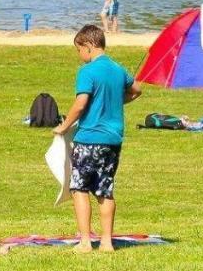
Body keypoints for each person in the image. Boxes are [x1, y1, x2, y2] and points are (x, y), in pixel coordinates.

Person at [53, 24, 141, 254]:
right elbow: (136, 90)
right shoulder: (117, 69)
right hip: (113, 141)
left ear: (88, 46)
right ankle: (107, 242)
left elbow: (81, 103)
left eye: (79, 50)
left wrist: (63, 126)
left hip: (89, 139)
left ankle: (84, 241)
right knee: (105, 190)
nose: (79, 56)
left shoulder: (87, 71)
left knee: (79, 188)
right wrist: (116, 101)